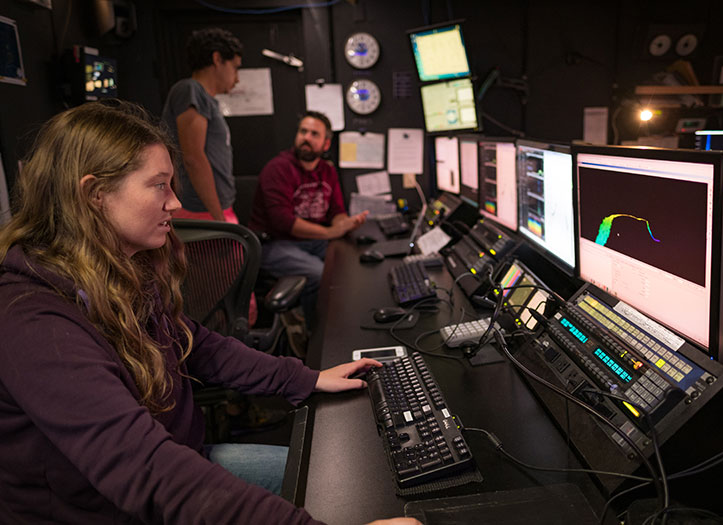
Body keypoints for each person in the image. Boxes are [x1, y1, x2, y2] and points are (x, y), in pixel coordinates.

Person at [0, 100, 417, 525]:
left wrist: (304, 377)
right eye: (159, 185)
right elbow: (146, 469)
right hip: (119, 507)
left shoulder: (118, 272)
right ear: (94, 195)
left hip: (183, 463)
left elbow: (195, 344)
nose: (175, 203)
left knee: (361, 483)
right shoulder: (32, 322)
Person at [249, 111, 369, 329]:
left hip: (312, 241)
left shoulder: (327, 170)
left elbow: (336, 212)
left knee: (348, 261)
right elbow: (283, 222)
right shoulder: (277, 169)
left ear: (325, 144)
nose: (306, 137)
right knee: (319, 273)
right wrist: (330, 232)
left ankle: (344, 323)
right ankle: (314, 333)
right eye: (303, 131)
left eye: (314, 134)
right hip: (275, 243)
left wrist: (345, 224)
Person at [162, 27, 242, 223]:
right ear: (217, 59)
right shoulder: (191, 89)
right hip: (201, 211)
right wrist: (218, 218)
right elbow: (193, 158)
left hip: (216, 208)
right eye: (235, 67)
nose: (237, 78)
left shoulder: (205, 98)